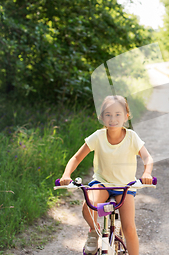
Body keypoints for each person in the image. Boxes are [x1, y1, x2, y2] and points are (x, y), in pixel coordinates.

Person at [59, 95, 153, 255]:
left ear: (126, 117)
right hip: (102, 183)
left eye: (118, 114)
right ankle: (94, 231)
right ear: (101, 117)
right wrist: (66, 174)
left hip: (124, 186)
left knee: (129, 227)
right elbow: (76, 158)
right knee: (88, 207)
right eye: (108, 114)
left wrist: (147, 173)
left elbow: (147, 158)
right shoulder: (98, 136)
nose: (113, 119)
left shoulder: (131, 137)